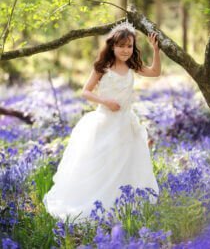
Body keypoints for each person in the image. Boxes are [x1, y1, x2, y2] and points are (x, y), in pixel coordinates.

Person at [43, 20, 161, 224]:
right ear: (112, 46)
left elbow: (155, 72)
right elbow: (86, 91)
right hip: (105, 121)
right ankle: (100, 204)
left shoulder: (133, 65)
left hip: (126, 123)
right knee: (104, 164)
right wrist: (104, 101)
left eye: (129, 46)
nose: (125, 50)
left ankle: (122, 207)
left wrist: (156, 50)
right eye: (121, 46)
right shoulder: (103, 67)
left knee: (125, 164)